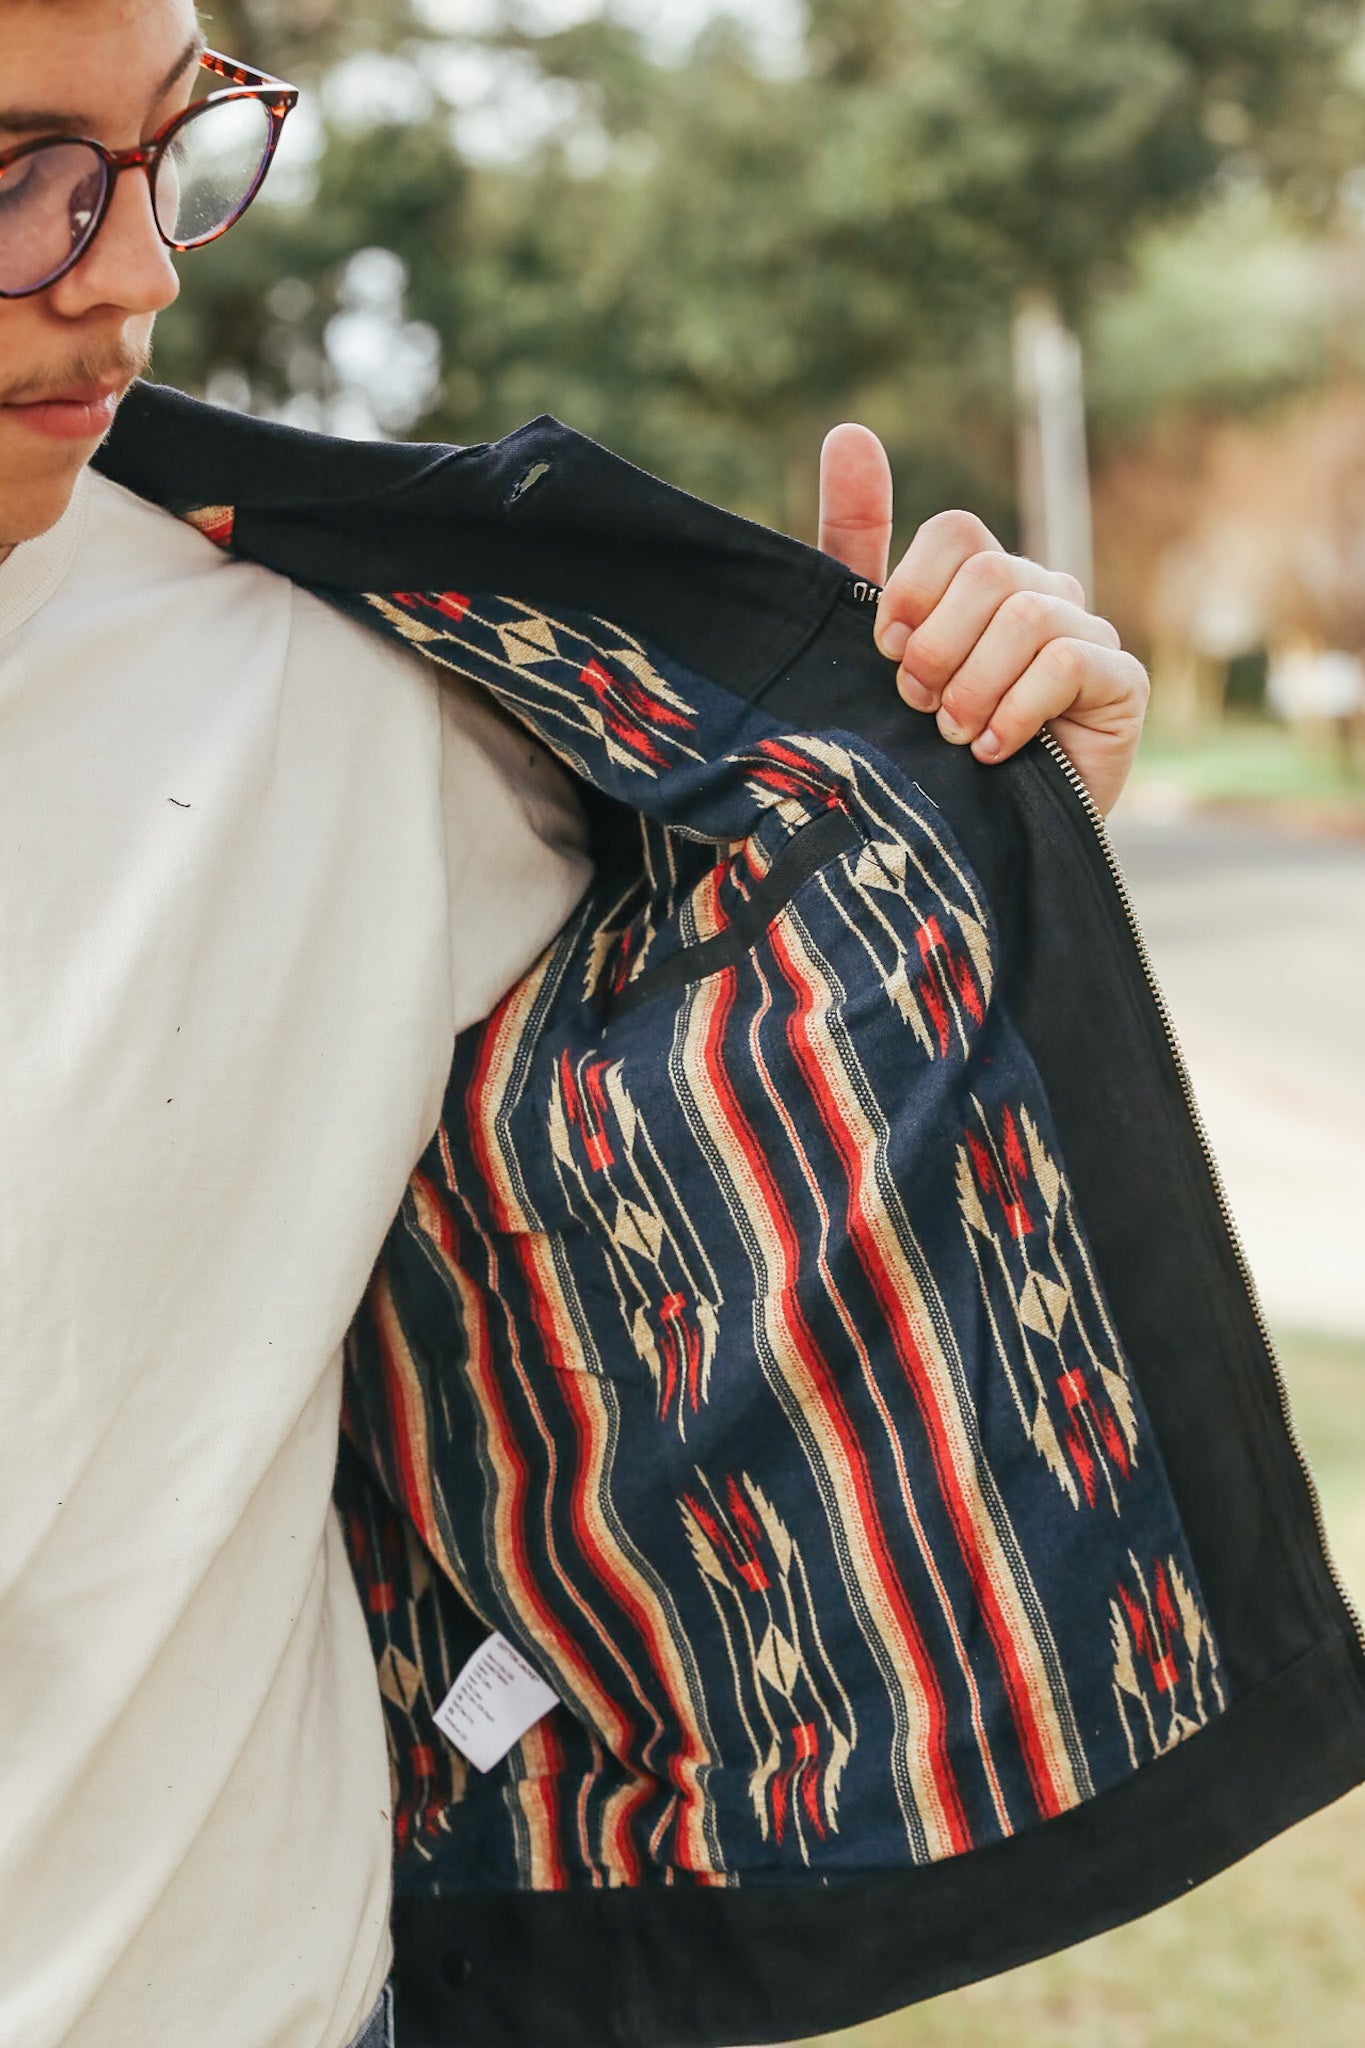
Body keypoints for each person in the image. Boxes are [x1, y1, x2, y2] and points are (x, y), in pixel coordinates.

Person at [0, 4, 1152, 2046]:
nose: (137, 271)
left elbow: (764, 1042)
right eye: (10, 170)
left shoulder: (325, 683)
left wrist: (951, 780)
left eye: (168, 147)